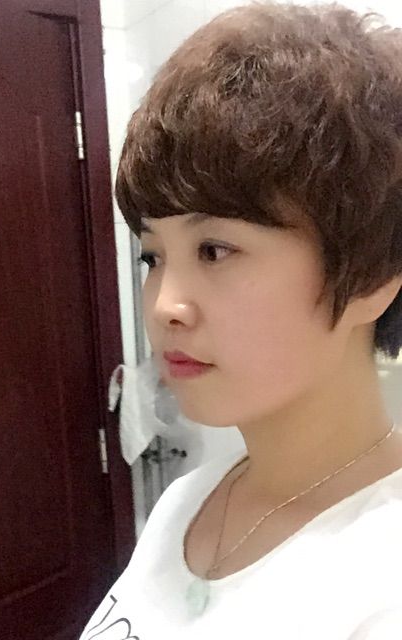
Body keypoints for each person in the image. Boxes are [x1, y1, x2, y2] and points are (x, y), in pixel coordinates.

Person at [79, 2, 402, 638]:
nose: (164, 305)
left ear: (370, 278)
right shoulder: (189, 501)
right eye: (152, 256)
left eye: (215, 250)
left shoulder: (383, 579)